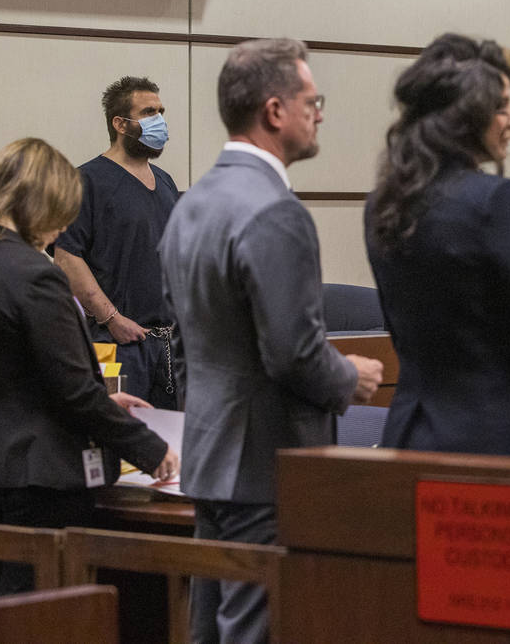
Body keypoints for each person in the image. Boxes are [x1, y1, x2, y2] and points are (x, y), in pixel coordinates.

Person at [159, 38, 383, 644]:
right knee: (257, 632)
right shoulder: (275, 211)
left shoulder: (190, 204)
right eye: (314, 100)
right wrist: (350, 378)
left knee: (209, 629)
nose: (321, 113)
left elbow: (189, 338)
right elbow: (292, 352)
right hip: (266, 463)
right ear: (276, 111)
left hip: (209, 455)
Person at [0, 138, 178, 596]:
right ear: (44, 201)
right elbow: (74, 395)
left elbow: (16, 372)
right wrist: (152, 450)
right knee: (36, 618)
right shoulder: (36, 274)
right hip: (38, 478)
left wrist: (105, 398)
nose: (65, 225)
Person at [365, 33, 510, 457]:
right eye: (501, 107)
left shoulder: (381, 205)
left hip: (410, 436)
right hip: (496, 444)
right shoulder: (496, 201)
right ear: (465, 118)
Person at [54, 77, 180, 409]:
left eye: (162, 112)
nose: (160, 121)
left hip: (169, 347)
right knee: (120, 448)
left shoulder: (166, 183)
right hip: (117, 343)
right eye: (149, 112)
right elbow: (66, 258)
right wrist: (112, 319)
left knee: (169, 450)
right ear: (120, 123)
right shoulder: (86, 181)